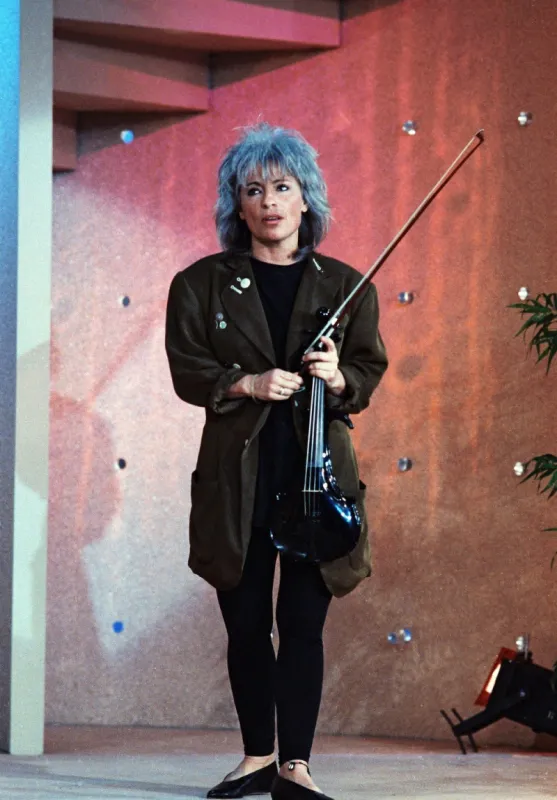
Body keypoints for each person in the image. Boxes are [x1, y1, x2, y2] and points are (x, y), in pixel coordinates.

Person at [165, 123, 388, 800]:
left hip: (317, 473)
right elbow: (187, 368)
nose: (269, 201)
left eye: (282, 187)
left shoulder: (347, 285)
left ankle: (296, 766)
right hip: (238, 474)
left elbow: (368, 368)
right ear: (237, 204)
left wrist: (338, 375)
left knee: (301, 622)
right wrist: (247, 383)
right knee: (243, 623)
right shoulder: (200, 283)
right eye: (253, 188)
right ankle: (257, 755)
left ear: (305, 198)